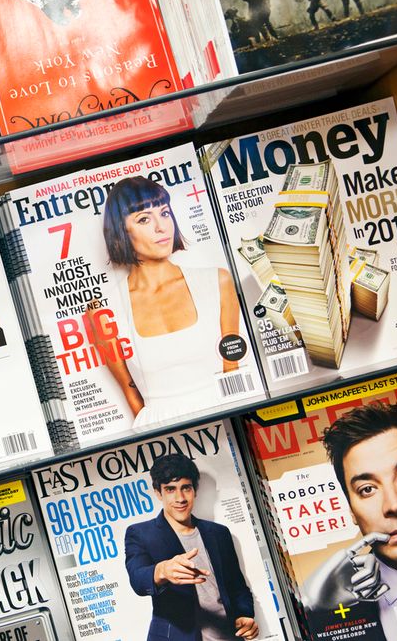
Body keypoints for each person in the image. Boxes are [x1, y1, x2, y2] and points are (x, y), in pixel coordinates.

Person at [101, 176, 243, 426]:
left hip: (226, 412)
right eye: (144, 219)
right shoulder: (105, 310)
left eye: (165, 213)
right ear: (121, 231)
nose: (161, 227)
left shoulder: (217, 280)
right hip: (158, 426)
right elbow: (128, 389)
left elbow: (232, 368)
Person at [302, 402, 397, 639]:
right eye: (367, 489)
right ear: (351, 510)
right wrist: (321, 617)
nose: (394, 505)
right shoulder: (338, 608)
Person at [124, 453, 259, 641]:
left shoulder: (218, 533)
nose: (180, 498)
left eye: (185, 488)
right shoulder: (141, 533)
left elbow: (237, 587)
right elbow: (138, 579)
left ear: (195, 490)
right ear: (158, 493)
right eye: (170, 489)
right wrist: (162, 571)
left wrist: (245, 615)